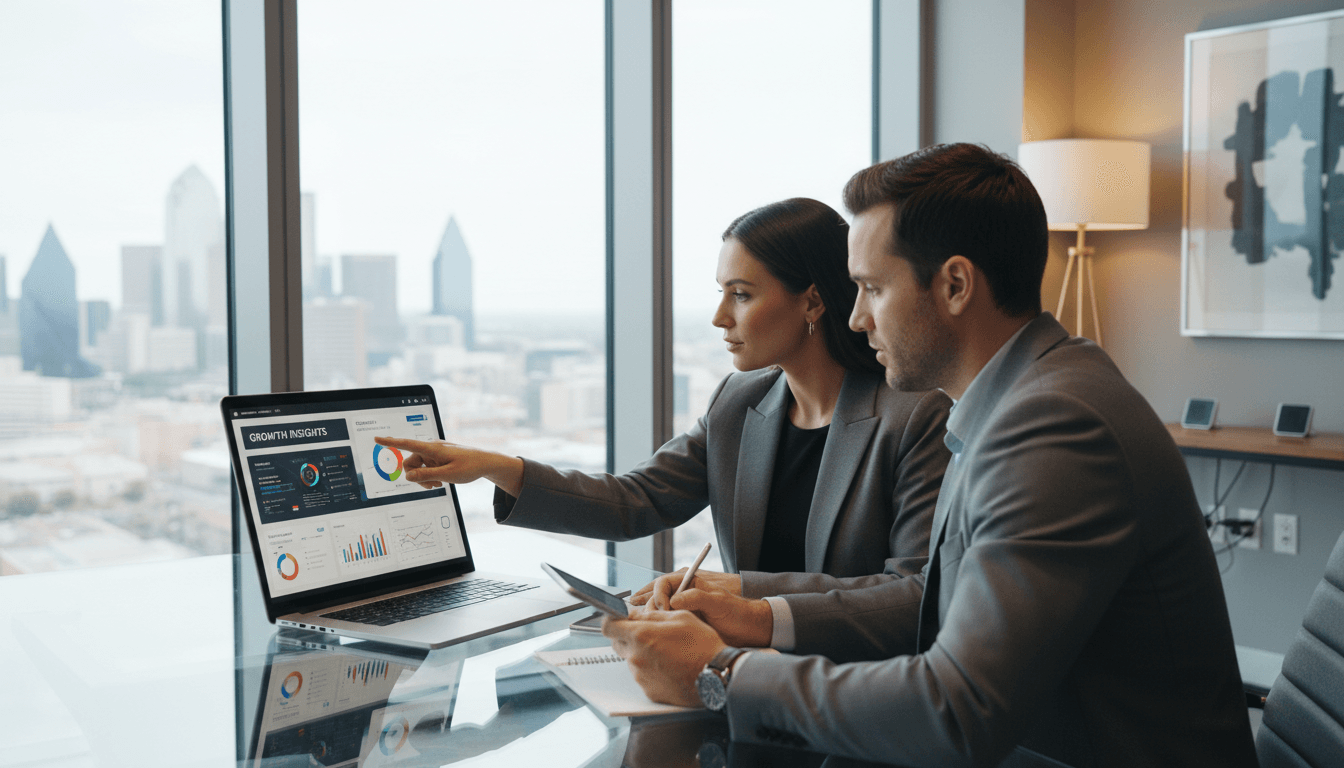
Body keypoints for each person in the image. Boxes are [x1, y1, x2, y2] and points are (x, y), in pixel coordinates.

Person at [603, 145, 1257, 768]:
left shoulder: (1055, 429)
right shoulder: (1016, 402)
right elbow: (930, 604)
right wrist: (750, 610)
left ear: (953, 285)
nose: (855, 318)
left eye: (872, 289)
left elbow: (957, 710)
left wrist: (722, 672)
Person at [377, 198, 952, 600]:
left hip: (852, 692)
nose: (720, 317)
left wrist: (736, 593)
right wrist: (498, 469)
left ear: (812, 302)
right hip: (737, 671)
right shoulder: (740, 403)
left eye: (742, 295)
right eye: (722, 293)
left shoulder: (914, 417)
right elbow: (637, 501)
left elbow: (907, 594)